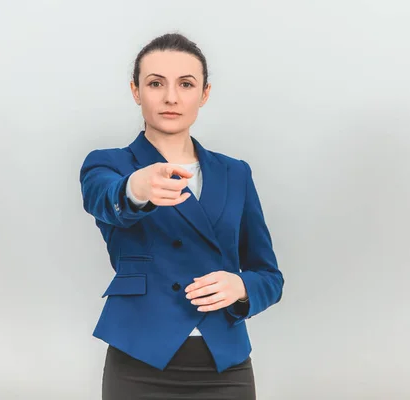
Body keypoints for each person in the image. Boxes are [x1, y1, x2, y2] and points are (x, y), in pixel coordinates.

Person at [79, 33, 284, 399]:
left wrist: (242, 288)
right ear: (136, 91)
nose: (171, 97)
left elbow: (269, 275)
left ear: (204, 94)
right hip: (139, 356)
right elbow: (104, 197)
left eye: (186, 84)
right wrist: (136, 189)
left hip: (225, 361)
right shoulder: (108, 164)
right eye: (156, 83)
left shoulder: (235, 173)